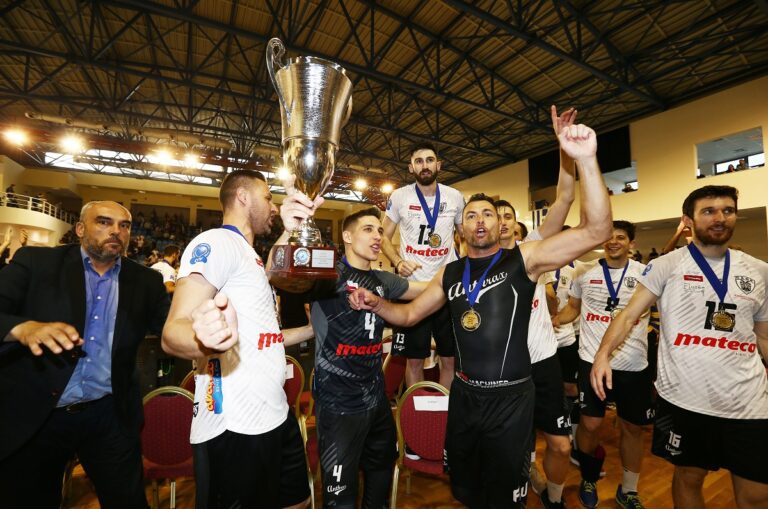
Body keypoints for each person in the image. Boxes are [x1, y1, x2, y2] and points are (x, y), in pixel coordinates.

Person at [349, 120, 612, 508]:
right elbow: (409, 316)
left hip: (511, 398)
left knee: (506, 496)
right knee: (467, 492)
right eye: (471, 216)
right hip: (465, 397)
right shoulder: (450, 273)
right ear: (462, 228)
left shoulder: (525, 259)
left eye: (487, 214)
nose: (480, 221)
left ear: (500, 222)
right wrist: (378, 304)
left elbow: (597, 230)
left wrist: (586, 159)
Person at [591, 185, 768, 509]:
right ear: (688, 220)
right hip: (686, 399)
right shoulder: (667, 265)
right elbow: (628, 315)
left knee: (757, 495)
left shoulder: (759, 271)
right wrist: (602, 355)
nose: (719, 218)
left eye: (727, 210)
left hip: (749, 401)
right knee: (688, 478)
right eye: (708, 211)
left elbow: (764, 337)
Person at [162, 170, 318, 509]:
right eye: (268, 198)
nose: (274, 207)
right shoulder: (217, 242)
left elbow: (263, 335)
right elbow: (173, 332)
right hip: (236, 424)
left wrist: (312, 330)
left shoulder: (249, 255)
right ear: (243, 197)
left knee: (299, 501)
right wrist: (206, 340)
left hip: (275, 411)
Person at [0, 200, 170, 509]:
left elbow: (170, 331)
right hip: (40, 414)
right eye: (104, 222)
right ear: (80, 229)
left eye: (124, 225)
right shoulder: (36, 262)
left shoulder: (146, 281)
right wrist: (22, 328)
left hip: (109, 413)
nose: (116, 231)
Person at [308, 206, 426, 508]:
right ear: (347, 236)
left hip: (375, 401)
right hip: (338, 404)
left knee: (380, 478)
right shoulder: (328, 275)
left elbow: (426, 291)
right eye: (368, 229)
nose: (378, 236)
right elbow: (283, 276)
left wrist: (463, 271)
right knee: (340, 498)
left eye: (380, 230)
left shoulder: (383, 280)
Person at [496, 105, 579, 509]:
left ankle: (555, 497)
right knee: (515, 443)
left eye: (508, 216)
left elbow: (564, 197)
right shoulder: (474, 264)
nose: (502, 221)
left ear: (516, 224)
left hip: (543, 361)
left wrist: (564, 149)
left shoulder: (532, 250)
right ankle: (523, 482)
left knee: (561, 446)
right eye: (495, 216)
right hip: (505, 367)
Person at [555, 220, 653, 509]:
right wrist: (551, 321)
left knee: (632, 428)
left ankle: (629, 490)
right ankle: (588, 477)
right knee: (590, 424)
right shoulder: (584, 273)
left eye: (620, 237)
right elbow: (572, 309)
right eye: (610, 237)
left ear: (631, 243)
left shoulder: (646, 274)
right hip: (591, 360)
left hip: (633, 364)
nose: (613, 242)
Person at [381, 142, 465, 389]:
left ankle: (446, 409)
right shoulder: (400, 196)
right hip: (413, 290)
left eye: (429, 160)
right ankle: (415, 411)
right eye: (418, 161)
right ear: (411, 167)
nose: (424, 165)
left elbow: (465, 236)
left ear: (438, 165)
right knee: (414, 360)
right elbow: (382, 236)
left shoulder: (454, 196)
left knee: (449, 359)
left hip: (446, 288)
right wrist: (398, 262)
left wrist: (465, 266)